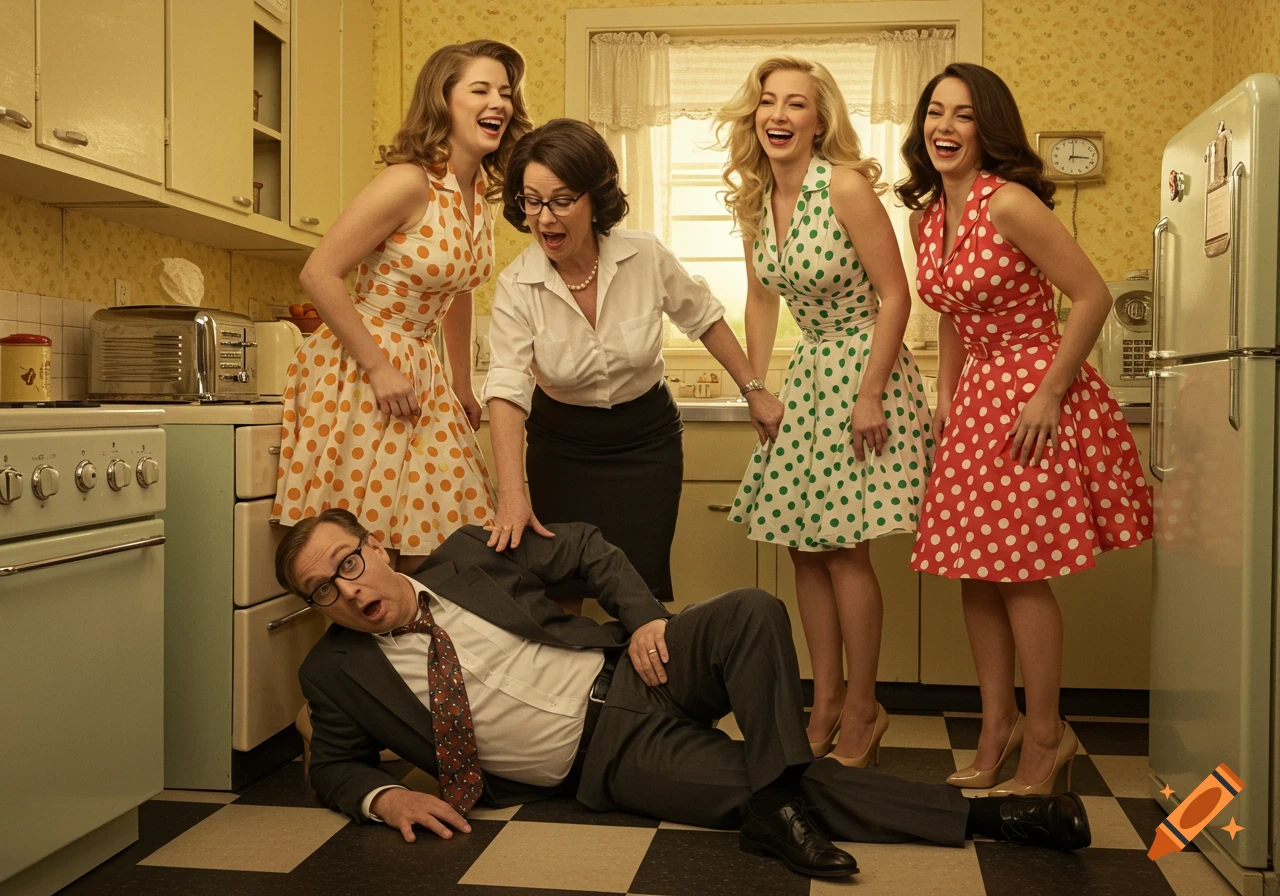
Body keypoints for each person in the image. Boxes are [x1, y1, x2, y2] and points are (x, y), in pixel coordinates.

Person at [278, 508, 1092, 879]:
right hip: (609, 758)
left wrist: (644, 620)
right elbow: (337, 767)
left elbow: (587, 548)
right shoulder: (335, 673)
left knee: (752, 610)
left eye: (348, 563)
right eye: (322, 590)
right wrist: (385, 798)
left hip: (635, 669)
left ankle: (774, 803)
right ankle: (998, 818)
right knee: (762, 780)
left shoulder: (467, 554)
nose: (346, 591)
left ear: (378, 549)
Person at [895, 63, 1153, 794]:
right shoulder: (926, 219)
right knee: (975, 572)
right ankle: (997, 726)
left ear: (989, 129)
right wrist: (946, 396)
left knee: (1019, 572)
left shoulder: (1008, 202)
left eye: (963, 115)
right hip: (978, 397)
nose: (945, 127)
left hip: (1033, 391)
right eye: (935, 112)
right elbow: (953, 313)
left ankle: (1046, 735)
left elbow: (1092, 295)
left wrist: (1050, 392)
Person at [716, 57, 934, 766]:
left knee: (844, 550)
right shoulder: (755, 199)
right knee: (804, 550)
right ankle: (827, 702)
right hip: (808, 375)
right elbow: (759, 299)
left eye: (796, 104)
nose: (778, 115)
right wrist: (756, 385)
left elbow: (895, 296)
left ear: (819, 120)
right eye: (767, 102)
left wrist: (870, 393)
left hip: (864, 370)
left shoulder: (843, 186)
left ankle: (865, 709)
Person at [480, 118, 784, 605]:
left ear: (595, 199)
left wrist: (755, 390)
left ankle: (643, 657)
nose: (545, 219)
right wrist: (512, 495)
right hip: (562, 448)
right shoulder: (517, 286)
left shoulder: (644, 255)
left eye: (561, 201)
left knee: (638, 592)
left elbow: (704, 318)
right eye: (532, 202)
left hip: (646, 443)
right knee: (561, 590)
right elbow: (507, 388)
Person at [272, 40, 532, 572]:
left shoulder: (478, 193)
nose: (498, 103)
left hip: (419, 366)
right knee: (367, 549)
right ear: (443, 101)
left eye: (505, 93)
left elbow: (458, 288)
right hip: (359, 368)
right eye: (480, 90)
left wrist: (462, 383)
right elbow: (318, 273)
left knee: (446, 535)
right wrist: (378, 365)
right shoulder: (408, 181)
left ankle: (422, 628)